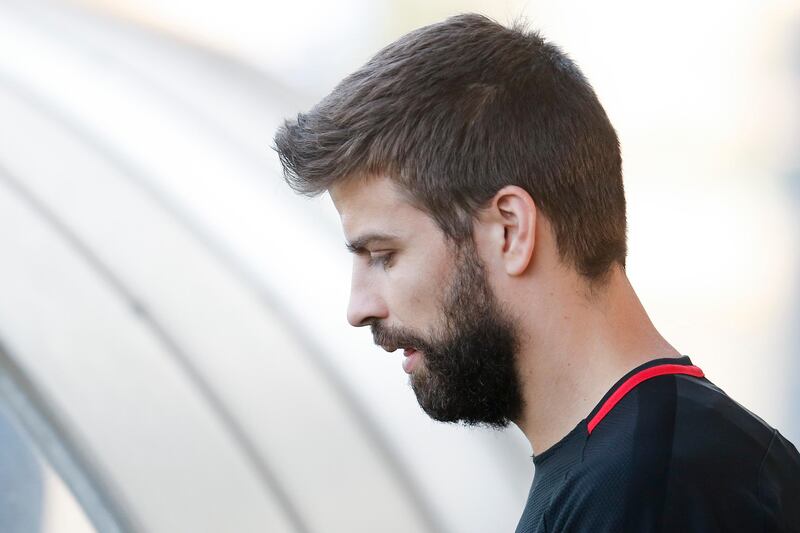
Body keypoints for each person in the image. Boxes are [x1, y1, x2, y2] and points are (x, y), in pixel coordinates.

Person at [273, 13, 800, 532]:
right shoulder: (637, 471)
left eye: (383, 255)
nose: (358, 307)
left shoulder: (653, 490)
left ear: (509, 231)